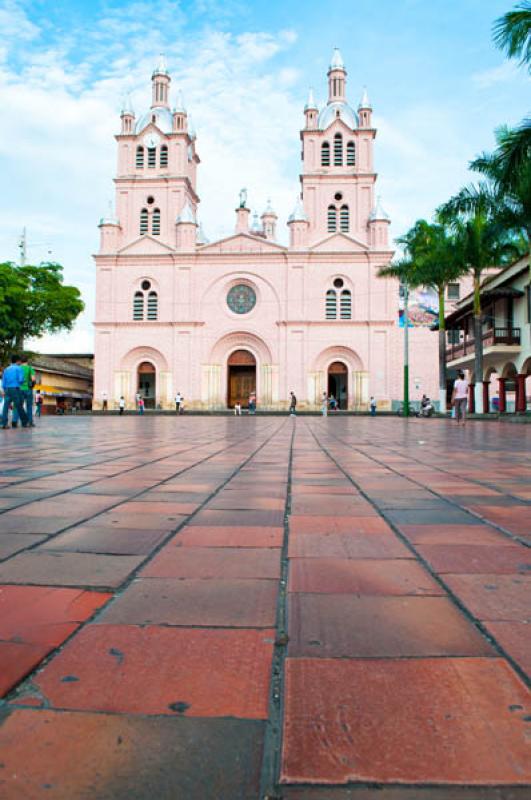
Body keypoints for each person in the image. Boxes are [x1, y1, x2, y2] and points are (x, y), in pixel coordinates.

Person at [1, 355, 29, 429]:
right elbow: (20, 380)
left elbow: (3, 382)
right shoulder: (19, 369)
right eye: (20, 361)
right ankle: (25, 422)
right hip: (15, 389)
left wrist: (4, 390)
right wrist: (23, 381)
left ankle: (4, 424)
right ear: (17, 361)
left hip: (7, 389)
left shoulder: (6, 369)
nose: (20, 362)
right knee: (19, 406)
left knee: (5, 407)